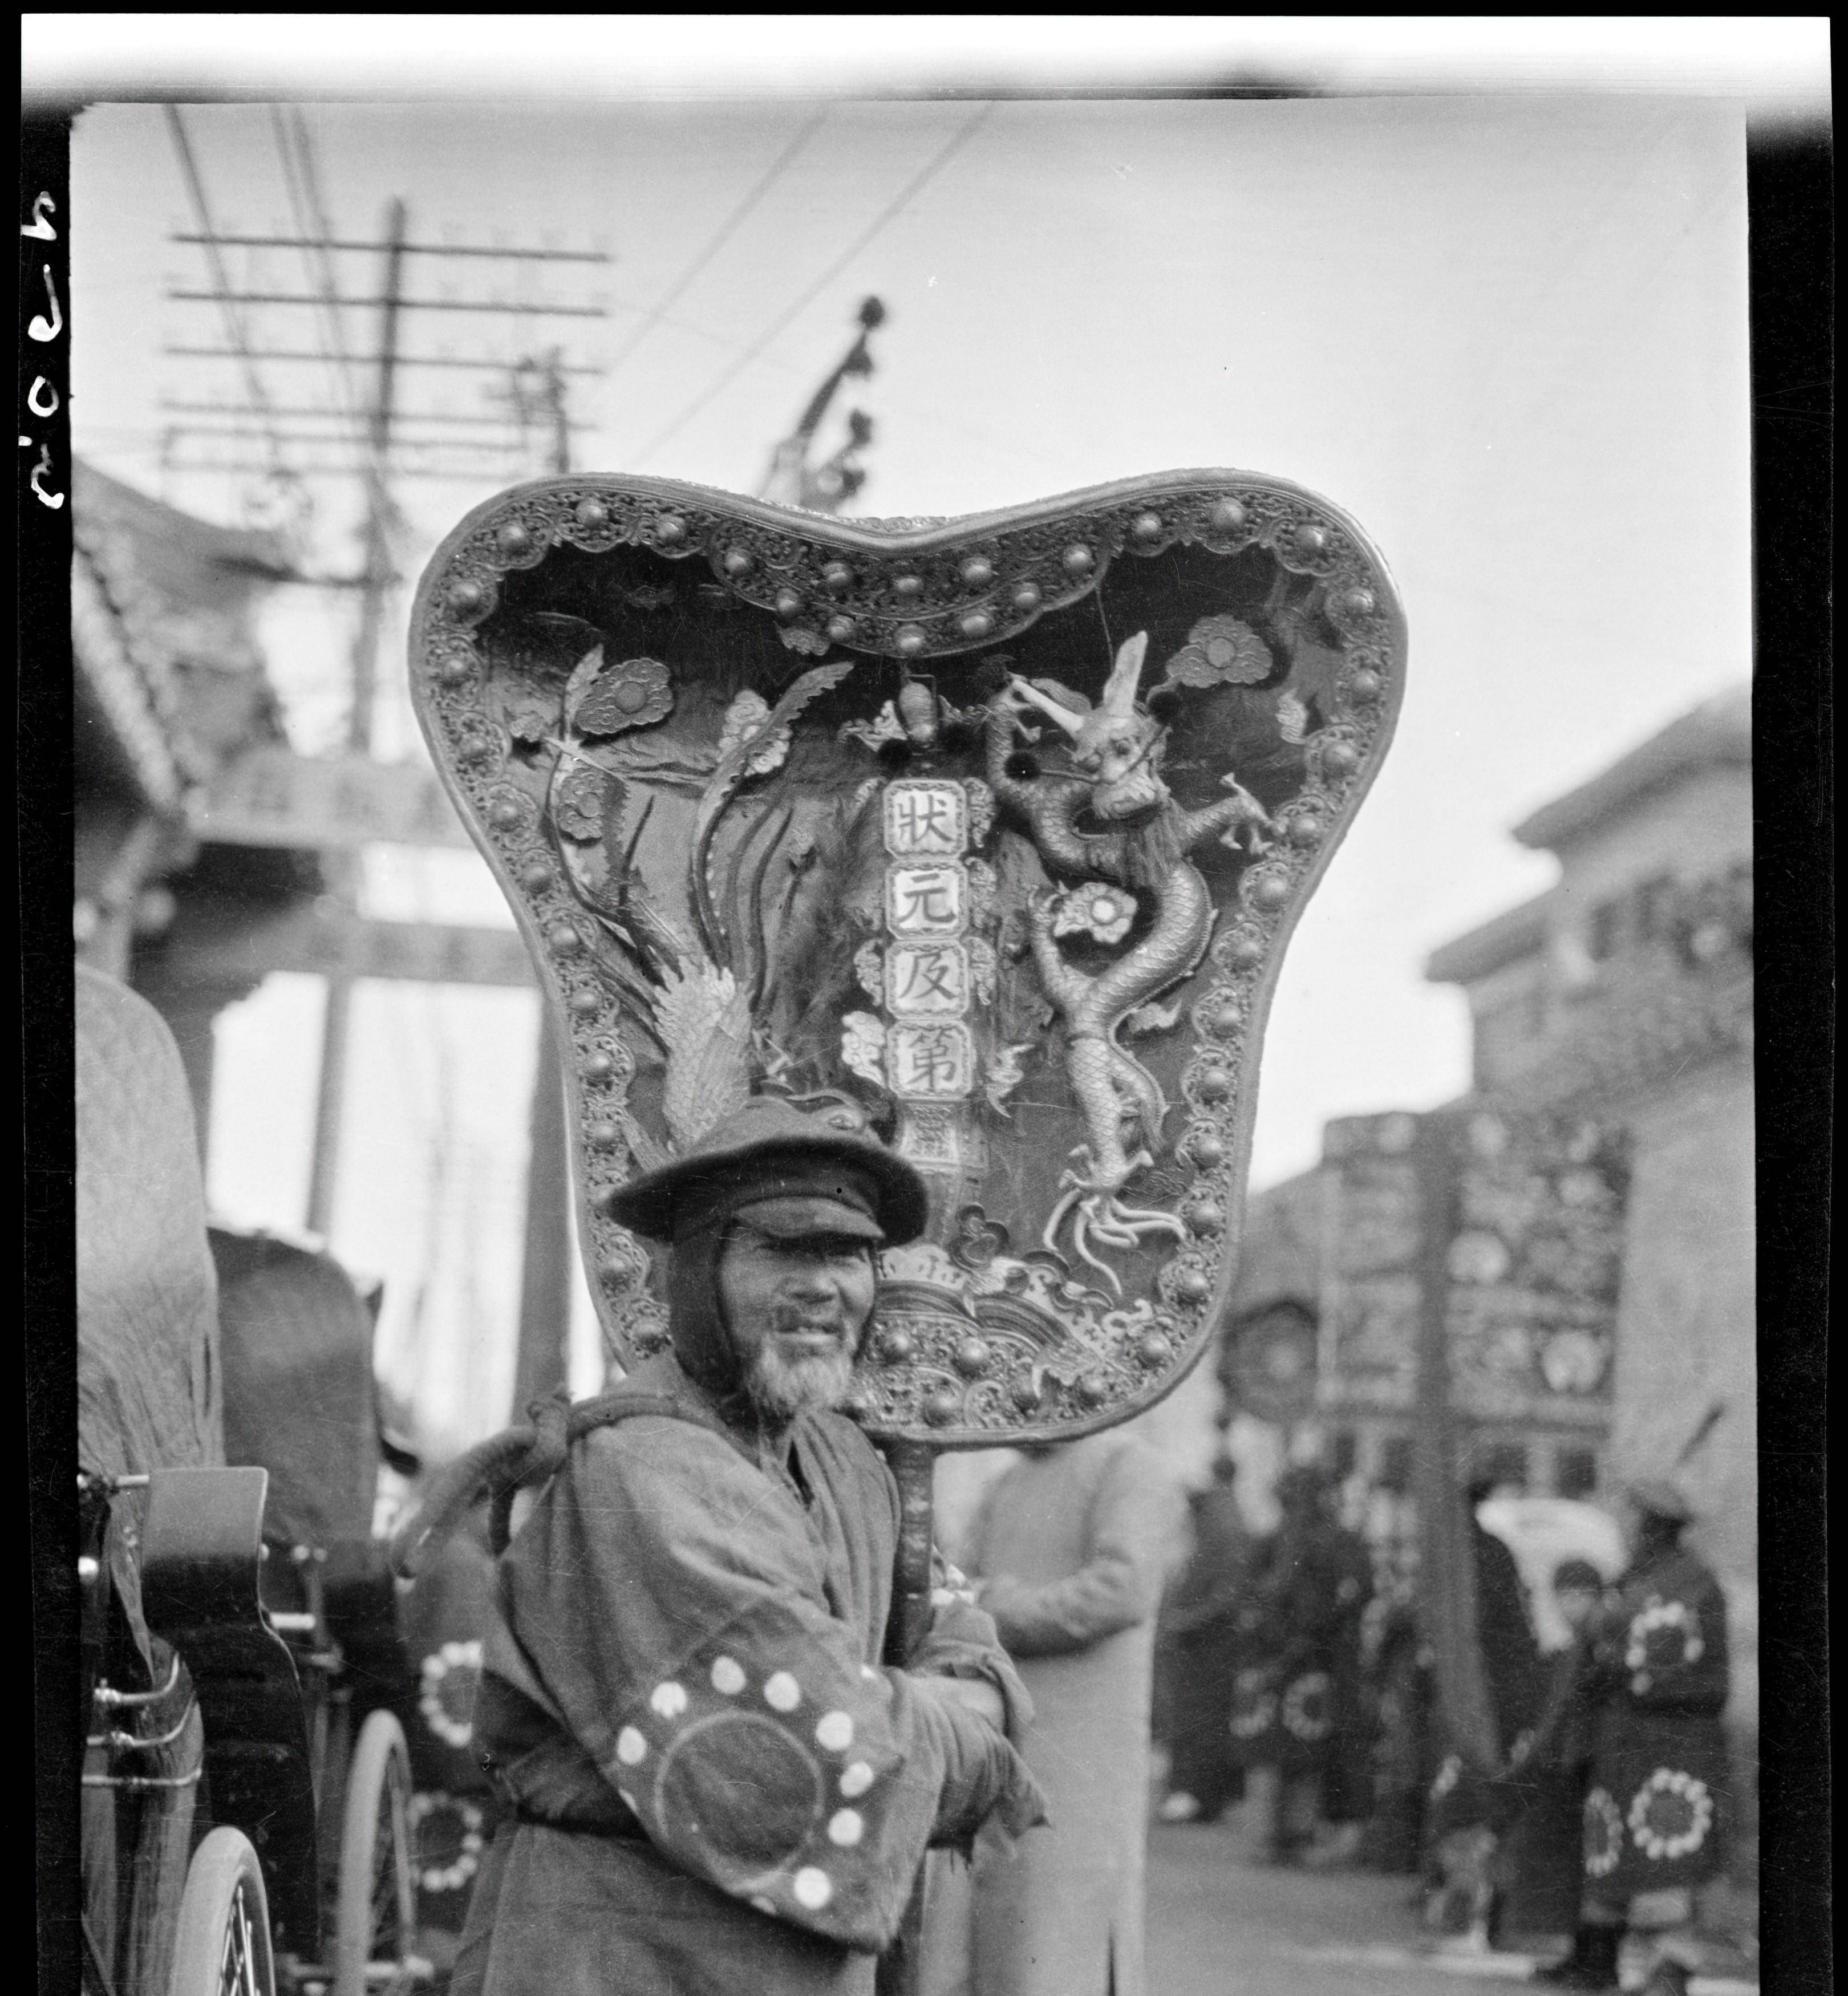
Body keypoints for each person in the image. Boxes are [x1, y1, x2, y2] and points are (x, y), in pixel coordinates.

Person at [445, 1096, 1047, 1996]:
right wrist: (946, 1716)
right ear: (695, 1270)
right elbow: (828, 1751)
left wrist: (919, 1705)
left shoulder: (846, 1457)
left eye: (847, 1255)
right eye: (779, 1250)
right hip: (626, 1952)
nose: (822, 1287)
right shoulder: (639, 1469)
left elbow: (965, 1640)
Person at [951, 1430, 1185, 1996]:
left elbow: (1122, 1591)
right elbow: (956, 1585)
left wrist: (993, 1606)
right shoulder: (1006, 1481)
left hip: (1084, 1749)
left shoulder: (1129, 1466)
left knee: (1065, 1932)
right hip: (1003, 1739)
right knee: (1004, 1935)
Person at [1534, 1481, 1731, 1995]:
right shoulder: (1638, 1578)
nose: (1625, 1529)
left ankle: (1671, 1972)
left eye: (1633, 1520)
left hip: (1673, 1743)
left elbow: (1658, 1657)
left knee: (1668, 1852)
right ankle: (1596, 1960)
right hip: (1622, 1742)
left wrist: (1613, 1661)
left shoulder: (1692, 1583)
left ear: (1654, 1527)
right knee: (1614, 1849)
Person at [1241, 1462, 1374, 1865]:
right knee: (1299, 1749)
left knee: (1283, 1748)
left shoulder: (1284, 1542)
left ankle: (1276, 1834)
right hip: (1309, 1661)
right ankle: (1286, 1833)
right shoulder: (1331, 1542)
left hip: (1295, 1661)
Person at [1156, 1454, 1262, 1825]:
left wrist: (1184, 1621)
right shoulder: (1225, 1522)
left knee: (1200, 1721)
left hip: (1209, 1644)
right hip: (1205, 1642)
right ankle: (1202, 1796)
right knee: (1201, 1721)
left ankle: (1195, 1795)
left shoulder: (1221, 1527)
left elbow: (1225, 1596)